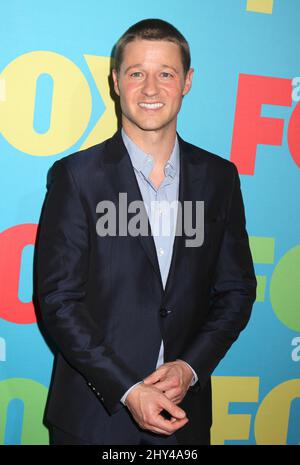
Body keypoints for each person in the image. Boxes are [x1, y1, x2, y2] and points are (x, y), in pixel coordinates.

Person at [35, 18, 257, 445]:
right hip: (92, 421)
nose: (151, 89)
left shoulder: (219, 178)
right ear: (116, 81)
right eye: (137, 73)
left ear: (187, 81)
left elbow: (236, 291)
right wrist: (128, 388)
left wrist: (190, 368)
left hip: (183, 419)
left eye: (166, 74)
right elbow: (59, 301)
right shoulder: (77, 177)